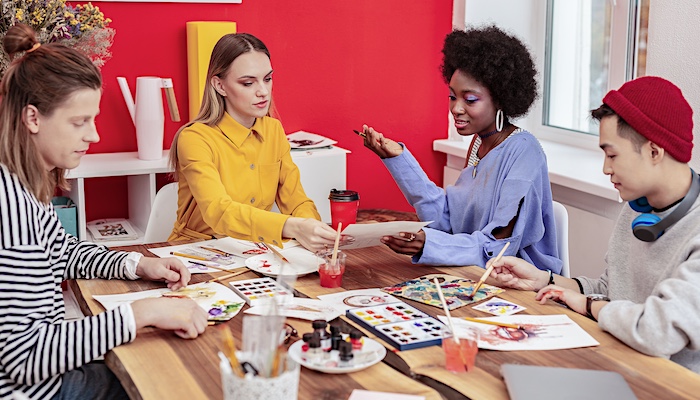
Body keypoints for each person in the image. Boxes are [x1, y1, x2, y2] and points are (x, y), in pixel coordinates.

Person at [0, 24, 209, 400]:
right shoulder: (11, 212)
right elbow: (24, 357)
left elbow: (62, 252)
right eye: (79, 122)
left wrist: (138, 265)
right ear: (32, 118)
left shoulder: (23, 188)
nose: (94, 135)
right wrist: (139, 315)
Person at [488, 76, 700, 373]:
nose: (606, 168)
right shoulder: (637, 209)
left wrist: (588, 306)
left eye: (612, 155)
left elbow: (658, 331)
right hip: (621, 362)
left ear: (654, 151)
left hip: (672, 383)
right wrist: (545, 280)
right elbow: (611, 289)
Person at [360, 26, 561, 272]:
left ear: (501, 98)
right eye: (452, 97)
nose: (456, 108)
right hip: (475, 273)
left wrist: (430, 245)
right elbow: (448, 221)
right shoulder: (478, 143)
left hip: (518, 284)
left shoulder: (524, 152)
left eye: (470, 99)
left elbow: (498, 248)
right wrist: (398, 159)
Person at [168, 33, 337, 251]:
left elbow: (295, 199)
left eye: (267, 79)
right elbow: (219, 213)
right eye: (248, 83)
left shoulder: (273, 130)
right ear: (219, 85)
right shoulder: (194, 138)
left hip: (252, 250)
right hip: (195, 252)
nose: (263, 92)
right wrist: (292, 227)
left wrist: (311, 227)